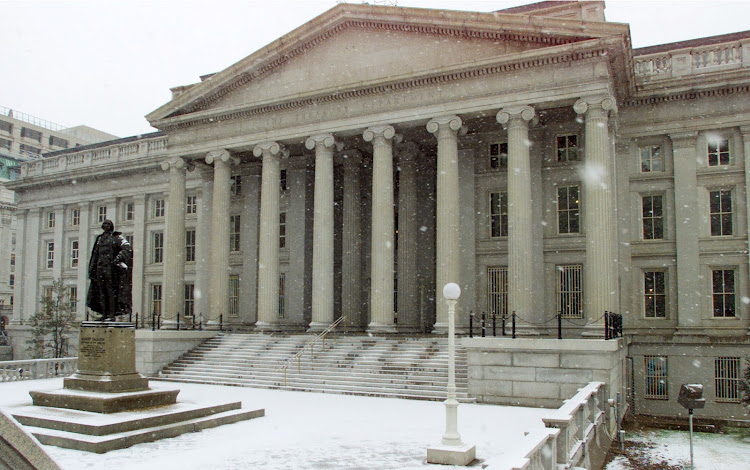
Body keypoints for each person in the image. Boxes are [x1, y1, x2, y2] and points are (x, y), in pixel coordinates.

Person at [86, 220, 132, 321]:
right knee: (101, 291)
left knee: (111, 291)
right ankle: (104, 313)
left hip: (110, 268)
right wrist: (91, 268)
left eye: (108, 224)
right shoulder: (99, 239)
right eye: (105, 224)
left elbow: (127, 248)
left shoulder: (117, 237)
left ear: (111, 226)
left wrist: (118, 258)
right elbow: (95, 254)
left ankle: (112, 314)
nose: (106, 226)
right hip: (100, 267)